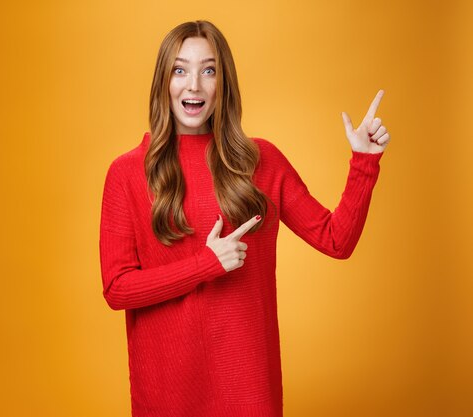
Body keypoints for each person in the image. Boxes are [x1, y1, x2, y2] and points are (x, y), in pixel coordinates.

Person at [99, 20, 390, 417]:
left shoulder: (261, 161)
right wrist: (206, 264)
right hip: (168, 396)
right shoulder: (127, 173)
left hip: (249, 390)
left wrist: (364, 162)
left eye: (209, 70)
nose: (194, 86)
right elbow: (117, 288)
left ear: (224, 83)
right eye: (180, 70)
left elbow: (336, 240)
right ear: (163, 82)